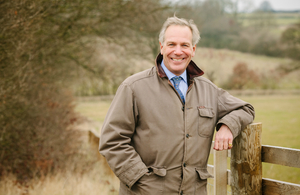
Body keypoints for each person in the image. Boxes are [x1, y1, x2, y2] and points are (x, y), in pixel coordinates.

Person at [99, 16, 255, 195]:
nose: (178, 51)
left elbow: (246, 109)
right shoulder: (133, 87)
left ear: (193, 49)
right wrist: (142, 181)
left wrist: (228, 125)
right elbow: (112, 141)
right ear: (162, 47)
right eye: (172, 44)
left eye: (185, 45)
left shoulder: (208, 90)